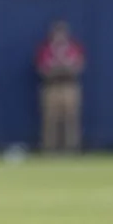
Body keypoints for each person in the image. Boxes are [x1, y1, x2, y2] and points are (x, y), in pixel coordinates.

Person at [36, 21, 84, 153]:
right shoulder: (47, 50)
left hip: (69, 86)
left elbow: (79, 66)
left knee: (71, 118)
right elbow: (42, 69)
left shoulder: (72, 48)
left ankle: (71, 148)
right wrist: (57, 68)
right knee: (51, 119)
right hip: (52, 86)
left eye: (62, 33)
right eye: (57, 33)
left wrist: (65, 66)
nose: (59, 36)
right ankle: (50, 148)